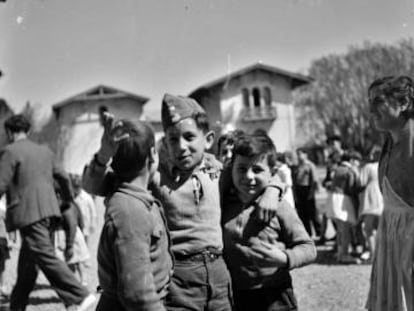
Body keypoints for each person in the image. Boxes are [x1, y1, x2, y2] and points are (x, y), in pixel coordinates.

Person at [83, 94, 283, 311]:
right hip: (179, 278)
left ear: (207, 139)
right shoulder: (154, 175)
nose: (181, 147)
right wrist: (103, 157)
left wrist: (274, 189)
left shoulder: (220, 171)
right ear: (164, 144)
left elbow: (260, 173)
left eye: (189, 137)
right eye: (172, 139)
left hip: (219, 274)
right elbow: (95, 186)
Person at [0, 114, 95, 311]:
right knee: (28, 267)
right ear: (27, 131)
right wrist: (67, 200)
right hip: (50, 212)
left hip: (29, 214)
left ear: (9, 132)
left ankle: (80, 295)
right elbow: (63, 177)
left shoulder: (10, 151)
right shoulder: (45, 151)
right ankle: (16, 307)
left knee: (44, 255)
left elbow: (0, 183)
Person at [222, 132, 316, 311]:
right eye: (241, 169)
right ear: (231, 168)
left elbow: (308, 248)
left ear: (272, 173)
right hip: (237, 295)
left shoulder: (279, 206)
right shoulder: (223, 204)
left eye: (257, 170)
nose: (249, 176)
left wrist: (285, 258)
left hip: (275, 295)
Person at [94, 119, 173, 310]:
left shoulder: (130, 196)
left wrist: (103, 156)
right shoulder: (131, 212)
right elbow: (138, 295)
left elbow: (92, 182)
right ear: (153, 155)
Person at [366, 76, 414, 311]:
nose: (370, 109)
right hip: (391, 235)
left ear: (404, 102)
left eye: (378, 101)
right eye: (369, 102)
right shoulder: (388, 143)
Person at [325, 152, 360, 264]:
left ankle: (340, 253)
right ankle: (344, 254)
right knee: (345, 230)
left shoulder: (338, 169)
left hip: (333, 198)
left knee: (340, 229)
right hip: (343, 199)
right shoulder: (348, 170)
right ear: (351, 160)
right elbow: (351, 187)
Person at [358, 149, 383, 262]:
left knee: (369, 229)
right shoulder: (384, 166)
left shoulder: (368, 167)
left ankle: (374, 255)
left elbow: (361, 182)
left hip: (371, 198)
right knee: (381, 229)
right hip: (384, 198)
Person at [292, 148, 322, 239]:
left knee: (312, 213)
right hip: (299, 190)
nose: (298, 156)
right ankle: (308, 233)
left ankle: (319, 232)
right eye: (297, 154)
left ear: (306, 155)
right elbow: (294, 181)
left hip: (308, 189)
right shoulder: (297, 166)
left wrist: (311, 193)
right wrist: (295, 195)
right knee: (302, 214)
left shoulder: (310, 165)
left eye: (300, 154)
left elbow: (314, 181)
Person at [71, 174, 97, 247]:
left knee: (84, 242)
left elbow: (93, 213)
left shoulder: (87, 198)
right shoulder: (72, 197)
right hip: (76, 224)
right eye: (74, 188)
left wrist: (92, 225)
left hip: (85, 223)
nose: (76, 191)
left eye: (77, 188)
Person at [0, 196, 9, 298]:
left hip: (1, 238)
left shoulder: (2, 205)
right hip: (2, 238)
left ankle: (2, 286)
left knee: (2, 265)